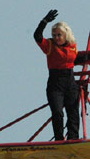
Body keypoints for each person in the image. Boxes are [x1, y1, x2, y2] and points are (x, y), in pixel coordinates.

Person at [34, 9, 80, 141]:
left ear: (66, 35)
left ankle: (73, 139)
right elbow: (37, 36)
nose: (56, 37)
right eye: (54, 35)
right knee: (57, 112)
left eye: (59, 35)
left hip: (70, 82)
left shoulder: (72, 46)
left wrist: (88, 57)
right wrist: (44, 22)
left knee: (73, 112)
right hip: (55, 83)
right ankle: (59, 139)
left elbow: (74, 58)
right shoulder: (49, 45)